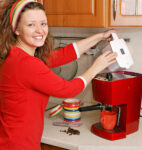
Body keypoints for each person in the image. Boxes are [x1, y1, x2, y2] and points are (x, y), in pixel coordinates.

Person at [0, 0, 117, 150]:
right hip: (18, 144)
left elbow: (63, 55)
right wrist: (96, 67)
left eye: (43, 23)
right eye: (31, 25)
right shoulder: (26, 64)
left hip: (12, 139)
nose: (40, 30)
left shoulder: (18, 55)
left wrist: (100, 36)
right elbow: (68, 89)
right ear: (16, 29)